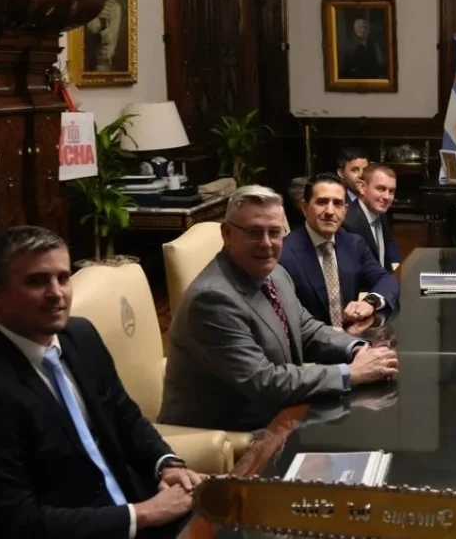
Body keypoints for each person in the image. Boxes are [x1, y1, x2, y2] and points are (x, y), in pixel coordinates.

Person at [0, 226, 200, 538]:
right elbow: (15, 521)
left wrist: (166, 464)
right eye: (37, 281)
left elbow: (126, 417)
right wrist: (143, 514)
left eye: (63, 278)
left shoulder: (81, 336)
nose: (56, 293)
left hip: (142, 513)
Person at [160, 185, 398, 432]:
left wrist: (356, 347)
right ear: (227, 233)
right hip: (229, 433)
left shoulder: (275, 273)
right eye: (254, 232)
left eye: (274, 232)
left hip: (280, 413)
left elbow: (305, 328)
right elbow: (265, 382)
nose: (266, 244)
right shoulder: (212, 299)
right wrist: (351, 373)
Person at [280, 173, 400, 326]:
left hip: (352, 339)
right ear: (305, 207)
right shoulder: (284, 253)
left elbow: (386, 280)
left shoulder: (354, 244)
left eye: (337, 204)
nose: (330, 211)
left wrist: (370, 302)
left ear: (345, 210)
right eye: (322, 202)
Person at [343, 163, 402, 271]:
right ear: (362, 187)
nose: (387, 197)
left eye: (391, 191)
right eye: (380, 189)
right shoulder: (348, 224)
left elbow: (388, 245)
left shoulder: (381, 213)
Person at [85, 0, 123, 72]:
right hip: (93, 61)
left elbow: (108, 36)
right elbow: (91, 27)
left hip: (106, 63)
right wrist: (102, 24)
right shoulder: (95, 4)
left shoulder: (116, 7)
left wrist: (100, 26)